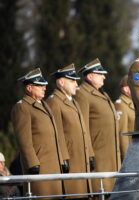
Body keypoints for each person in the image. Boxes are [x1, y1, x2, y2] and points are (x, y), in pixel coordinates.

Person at [11, 68, 66, 196]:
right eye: (40, 85)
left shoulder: (44, 105)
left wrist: (62, 160)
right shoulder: (22, 107)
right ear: (29, 88)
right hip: (40, 168)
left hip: (54, 167)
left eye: (44, 85)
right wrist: (32, 163)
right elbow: (24, 140)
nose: (44, 88)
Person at [46, 64, 95, 197]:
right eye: (72, 80)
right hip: (71, 161)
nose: (76, 84)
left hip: (81, 160)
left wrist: (90, 154)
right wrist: (63, 159)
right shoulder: (54, 102)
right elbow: (58, 134)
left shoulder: (74, 102)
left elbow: (83, 132)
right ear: (61, 82)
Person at [74, 58, 121, 192]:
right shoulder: (82, 94)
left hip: (110, 157)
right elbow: (82, 128)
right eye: (100, 74)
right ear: (90, 76)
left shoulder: (103, 94)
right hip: (98, 158)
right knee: (100, 193)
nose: (104, 77)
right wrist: (89, 154)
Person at [114, 75, 135, 161]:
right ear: (126, 88)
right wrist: (127, 158)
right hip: (131, 153)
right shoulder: (121, 105)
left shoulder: (135, 103)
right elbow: (122, 134)